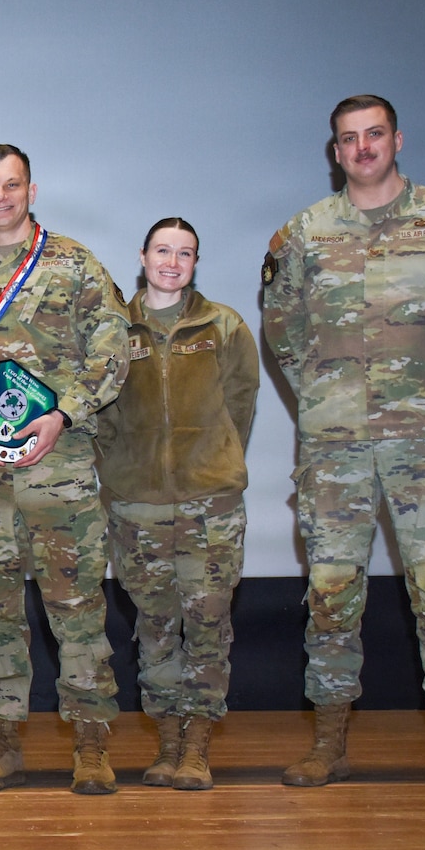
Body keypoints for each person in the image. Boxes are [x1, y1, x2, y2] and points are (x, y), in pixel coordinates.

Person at [262, 95, 425, 792]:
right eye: (348, 139)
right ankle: (330, 741)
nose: (363, 148)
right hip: (335, 448)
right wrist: (322, 396)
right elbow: (282, 326)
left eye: (374, 135)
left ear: (398, 139)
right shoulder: (303, 234)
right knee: (331, 592)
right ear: (334, 151)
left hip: (423, 445)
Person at [0, 144, 132, 795]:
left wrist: (64, 411)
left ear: (31, 190)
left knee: (76, 612)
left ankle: (92, 744)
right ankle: (4, 742)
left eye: (11, 185)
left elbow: (115, 343)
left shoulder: (73, 265)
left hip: (59, 476)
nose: (0, 197)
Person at [94, 219, 259, 790]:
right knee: (156, 626)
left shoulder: (225, 325)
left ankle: (197, 746)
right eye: (162, 250)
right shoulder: (116, 331)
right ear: (142, 257)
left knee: (209, 623)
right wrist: (122, 475)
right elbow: (103, 415)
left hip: (209, 506)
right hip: (137, 508)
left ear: (195, 262)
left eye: (184, 253)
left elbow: (241, 403)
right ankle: (166, 744)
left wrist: (211, 461)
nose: (172, 261)